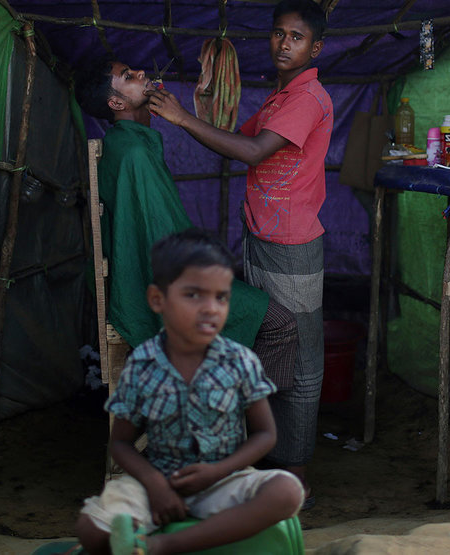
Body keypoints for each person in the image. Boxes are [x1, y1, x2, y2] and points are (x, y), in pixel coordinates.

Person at [146, 0, 333, 501]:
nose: (284, 44)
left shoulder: (307, 99)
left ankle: (295, 474)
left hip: (291, 245)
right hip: (261, 236)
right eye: (279, 34)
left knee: (300, 360)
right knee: (268, 341)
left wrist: (183, 119)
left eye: (296, 37)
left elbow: (251, 152)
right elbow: (237, 140)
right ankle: (265, 458)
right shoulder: (279, 98)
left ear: (315, 48)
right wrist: (193, 111)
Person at [75, 229, 304, 555]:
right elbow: (122, 443)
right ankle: (133, 535)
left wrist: (218, 471)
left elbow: (265, 435)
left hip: (224, 479)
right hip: (156, 478)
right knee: (90, 528)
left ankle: (161, 545)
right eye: (194, 295)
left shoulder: (240, 361)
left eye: (221, 297)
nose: (211, 308)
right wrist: (155, 485)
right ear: (158, 300)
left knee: (286, 491)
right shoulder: (142, 364)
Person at [75, 60, 298, 392]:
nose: (140, 73)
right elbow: (159, 238)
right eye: (128, 77)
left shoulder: (130, 143)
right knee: (282, 325)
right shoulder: (135, 152)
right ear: (116, 103)